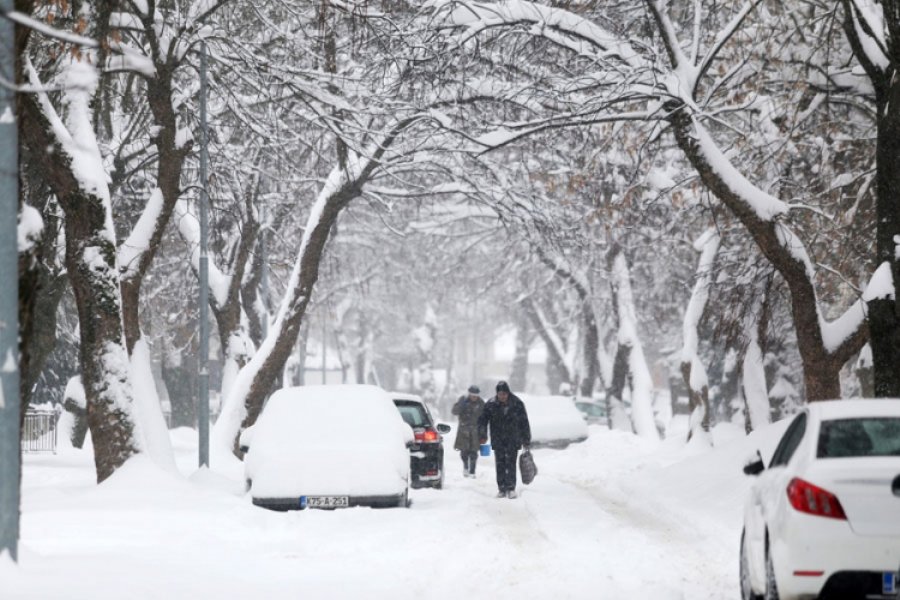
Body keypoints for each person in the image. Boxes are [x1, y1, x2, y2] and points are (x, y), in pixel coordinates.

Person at [478, 380, 531, 499]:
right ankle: (501, 488)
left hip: (513, 438)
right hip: (498, 438)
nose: (502, 396)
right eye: (500, 394)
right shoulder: (491, 404)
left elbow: (524, 422)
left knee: (511, 463)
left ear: (508, 393)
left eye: (504, 394)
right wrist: (482, 434)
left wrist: (526, 439)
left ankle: (511, 488)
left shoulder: (517, 403)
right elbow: (482, 420)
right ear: (497, 394)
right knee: (500, 463)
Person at [451, 385, 485, 477]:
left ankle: (472, 471)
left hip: (476, 431)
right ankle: (465, 467)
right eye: (472, 395)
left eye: (476, 395)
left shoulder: (481, 403)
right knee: (464, 451)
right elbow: (454, 411)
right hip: (464, 430)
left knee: (474, 452)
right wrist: (461, 404)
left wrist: (484, 434)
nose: (474, 397)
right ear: (469, 394)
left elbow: (484, 419)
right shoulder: (463, 400)